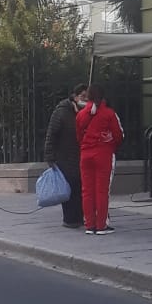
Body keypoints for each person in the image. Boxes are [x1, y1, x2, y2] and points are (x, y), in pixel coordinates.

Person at [76, 84, 124, 235]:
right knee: (101, 191)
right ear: (102, 96)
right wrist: (110, 145)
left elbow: (78, 136)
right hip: (103, 153)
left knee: (87, 191)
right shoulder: (109, 113)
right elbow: (118, 136)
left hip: (85, 154)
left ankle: (89, 225)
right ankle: (101, 225)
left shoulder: (81, 114)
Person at [43, 83, 88, 228]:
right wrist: (50, 156)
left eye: (87, 97)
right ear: (74, 97)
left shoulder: (86, 112)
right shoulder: (62, 112)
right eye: (82, 96)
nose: (85, 99)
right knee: (69, 187)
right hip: (65, 156)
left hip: (80, 155)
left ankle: (79, 217)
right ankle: (69, 219)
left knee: (80, 188)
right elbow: (51, 134)